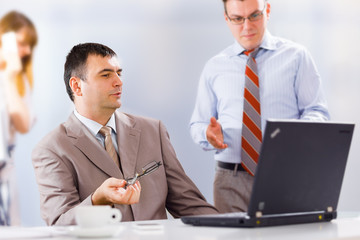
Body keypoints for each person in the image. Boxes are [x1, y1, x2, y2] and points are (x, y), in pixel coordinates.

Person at [32, 43, 218, 226]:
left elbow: (189, 204)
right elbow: (60, 223)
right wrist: (98, 200)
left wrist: (235, 227)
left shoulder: (153, 131)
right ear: (77, 86)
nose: (118, 82)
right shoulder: (51, 149)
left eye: (119, 73)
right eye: (106, 75)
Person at [189, 0, 330, 214]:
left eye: (254, 15)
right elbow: (198, 123)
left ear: (268, 11)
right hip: (230, 182)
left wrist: (293, 135)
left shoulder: (296, 57)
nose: (247, 26)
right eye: (238, 19)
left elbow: (317, 112)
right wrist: (207, 134)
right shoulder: (214, 67)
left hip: (285, 174)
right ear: (227, 19)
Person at [0, 11, 38, 226]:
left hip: (4, 171)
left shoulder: (19, 80)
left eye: (30, 45)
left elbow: (23, 125)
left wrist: (9, 79)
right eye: (22, 43)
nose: (26, 51)